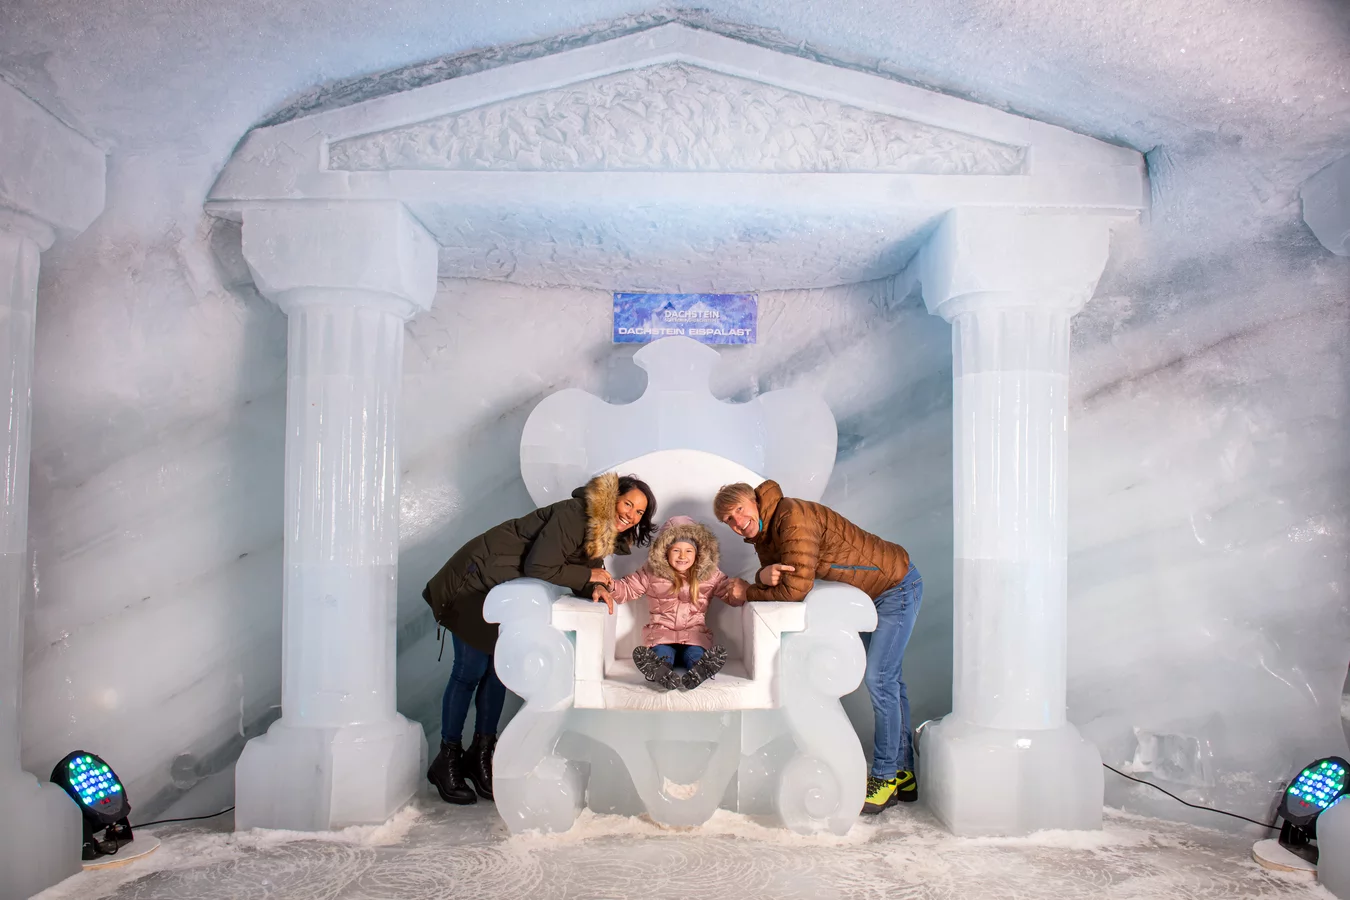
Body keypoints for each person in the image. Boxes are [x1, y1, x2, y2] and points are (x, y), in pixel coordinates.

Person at [422, 472, 656, 805]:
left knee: (497, 673)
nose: (631, 515)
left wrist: (596, 587)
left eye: (639, 512)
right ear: (611, 499)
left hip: (501, 590)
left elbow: (584, 569)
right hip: (474, 581)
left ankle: (480, 753)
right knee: (468, 671)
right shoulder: (575, 515)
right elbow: (540, 566)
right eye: (628, 504)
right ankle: (447, 758)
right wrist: (589, 576)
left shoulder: (598, 531)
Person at [714, 480, 921, 815]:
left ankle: (885, 777)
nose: (737, 521)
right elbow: (779, 577)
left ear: (754, 501)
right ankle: (904, 773)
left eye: (739, 509)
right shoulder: (766, 533)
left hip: (896, 587)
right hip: (873, 593)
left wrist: (747, 592)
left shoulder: (791, 516)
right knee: (889, 680)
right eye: (728, 520)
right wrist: (762, 577)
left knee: (881, 679)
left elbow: (794, 590)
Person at [593, 515, 745, 691]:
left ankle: (700, 669)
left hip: (695, 635)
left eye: (689, 551)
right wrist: (609, 585)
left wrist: (744, 592)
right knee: (661, 653)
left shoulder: (709, 574)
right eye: (676, 550)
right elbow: (628, 588)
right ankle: (660, 671)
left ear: (698, 553)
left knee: (695, 654)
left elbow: (729, 591)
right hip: (661, 635)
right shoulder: (651, 572)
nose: (682, 556)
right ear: (665, 550)